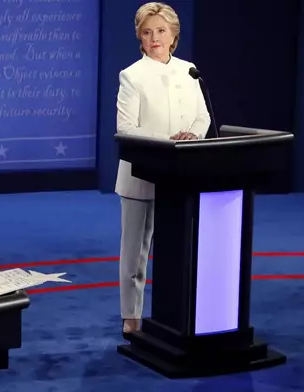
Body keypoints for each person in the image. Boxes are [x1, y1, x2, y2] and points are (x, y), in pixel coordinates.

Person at [115, 2, 210, 334]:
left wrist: (192, 135)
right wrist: (169, 141)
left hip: (181, 177)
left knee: (177, 251)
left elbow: (202, 116)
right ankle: (131, 316)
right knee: (136, 254)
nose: (154, 38)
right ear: (139, 38)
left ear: (173, 36)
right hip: (141, 173)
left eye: (161, 31)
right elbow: (126, 128)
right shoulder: (132, 75)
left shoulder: (189, 70)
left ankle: (176, 315)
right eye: (147, 32)